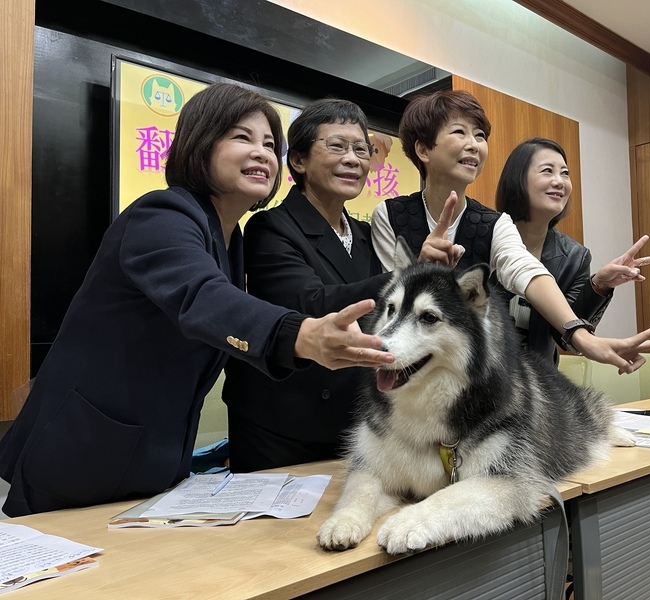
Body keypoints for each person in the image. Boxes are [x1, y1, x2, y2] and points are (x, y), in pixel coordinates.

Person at [0, 83, 393, 517]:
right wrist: (301, 333)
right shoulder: (162, 213)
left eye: (268, 143)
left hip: (157, 459)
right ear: (201, 143)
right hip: (85, 451)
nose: (262, 153)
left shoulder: (232, 238)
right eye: (242, 137)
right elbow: (203, 296)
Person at [371, 90, 650, 373]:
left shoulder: (494, 223)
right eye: (459, 132)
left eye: (480, 135)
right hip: (406, 370)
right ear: (423, 149)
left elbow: (525, 269)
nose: (474, 145)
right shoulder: (389, 215)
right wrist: (420, 269)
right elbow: (383, 305)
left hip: (482, 380)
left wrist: (583, 337)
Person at [222, 98, 448, 472]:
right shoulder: (270, 227)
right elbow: (310, 302)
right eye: (337, 146)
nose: (354, 159)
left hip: (354, 420)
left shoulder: (366, 234)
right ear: (298, 160)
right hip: (282, 428)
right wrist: (403, 278)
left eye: (362, 149)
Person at [495, 137, 650, 363]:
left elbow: (567, 337)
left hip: (537, 384)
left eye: (565, 173)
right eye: (547, 171)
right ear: (517, 180)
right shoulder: (485, 235)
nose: (560, 182)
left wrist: (599, 285)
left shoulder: (574, 256)